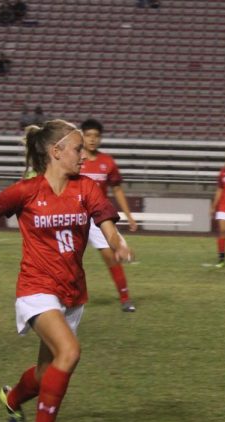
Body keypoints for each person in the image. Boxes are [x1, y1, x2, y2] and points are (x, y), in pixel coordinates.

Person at [0, 120, 131, 422]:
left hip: (72, 292)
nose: (82, 156)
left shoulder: (86, 188)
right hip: (36, 288)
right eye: (76, 149)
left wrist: (117, 243)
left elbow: (105, 222)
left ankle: (13, 399)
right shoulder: (25, 191)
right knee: (70, 352)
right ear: (55, 152)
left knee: (48, 372)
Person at [79, 118, 139, 312]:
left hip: (97, 218)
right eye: (88, 135)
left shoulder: (107, 162)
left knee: (111, 257)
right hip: (75, 216)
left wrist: (129, 216)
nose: (92, 139)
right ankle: (62, 298)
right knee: (65, 259)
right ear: (82, 136)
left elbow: (118, 190)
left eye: (96, 136)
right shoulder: (75, 159)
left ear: (100, 138)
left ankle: (125, 298)